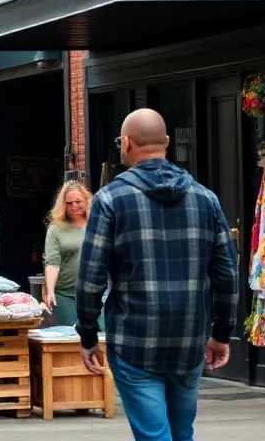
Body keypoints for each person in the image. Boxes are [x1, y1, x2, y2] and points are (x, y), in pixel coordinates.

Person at [76, 108, 238, 441]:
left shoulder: (109, 200)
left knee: (154, 435)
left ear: (127, 144)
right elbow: (227, 275)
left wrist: (88, 335)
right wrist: (221, 333)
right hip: (189, 339)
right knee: (182, 432)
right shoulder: (206, 199)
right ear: (166, 142)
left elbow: (90, 278)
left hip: (135, 339)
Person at [43, 181, 94, 327]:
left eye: (78, 201)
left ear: (86, 200)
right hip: (66, 294)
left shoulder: (98, 224)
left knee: (100, 338)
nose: (74, 206)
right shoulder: (56, 229)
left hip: (96, 293)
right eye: (69, 203)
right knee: (69, 339)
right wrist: (50, 290)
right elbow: (52, 261)